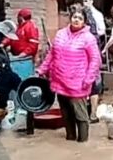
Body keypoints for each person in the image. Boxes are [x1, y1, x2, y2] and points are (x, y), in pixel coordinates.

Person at [37, 7, 101, 142]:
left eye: (80, 18)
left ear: (84, 22)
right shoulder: (60, 34)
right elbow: (51, 54)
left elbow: (95, 59)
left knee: (81, 115)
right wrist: (42, 69)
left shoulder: (88, 38)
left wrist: (88, 79)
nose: (76, 20)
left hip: (78, 83)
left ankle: (82, 142)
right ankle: (70, 138)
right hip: (59, 80)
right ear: (70, 18)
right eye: (74, 17)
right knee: (66, 114)